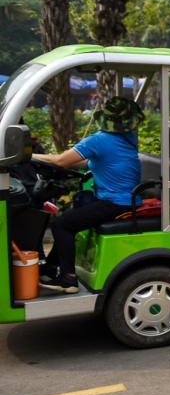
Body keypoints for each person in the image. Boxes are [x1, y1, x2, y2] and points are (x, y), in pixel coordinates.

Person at [35, 97, 144, 290]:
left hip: (115, 201)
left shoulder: (99, 139)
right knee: (72, 219)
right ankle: (51, 268)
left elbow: (60, 160)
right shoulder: (128, 138)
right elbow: (91, 162)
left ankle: (68, 278)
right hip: (128, 199)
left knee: (61, 225)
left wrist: (29, 155)